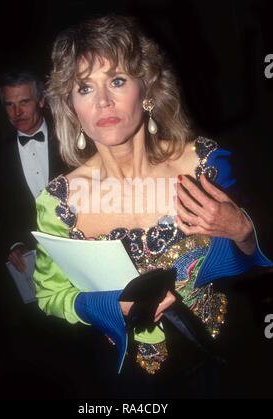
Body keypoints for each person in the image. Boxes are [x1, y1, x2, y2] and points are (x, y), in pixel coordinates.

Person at [33, 15, 273, 398]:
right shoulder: (59, 203)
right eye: (84, 88)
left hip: (229, 360)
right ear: (72, 107)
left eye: (116, 80)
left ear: (146, 88)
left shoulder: (206, 164)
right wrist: (111, 309)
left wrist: (244, 232)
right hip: (131, 382)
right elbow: (50, 295)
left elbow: (256, 262)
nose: (103, 102)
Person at [0, 71, 66, 272]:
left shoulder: (68, 138)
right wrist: (14, 243)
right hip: (33, 260)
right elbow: (0, 209)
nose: (17, 112)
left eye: (24, 102)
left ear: (41, 101)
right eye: (9, 104)